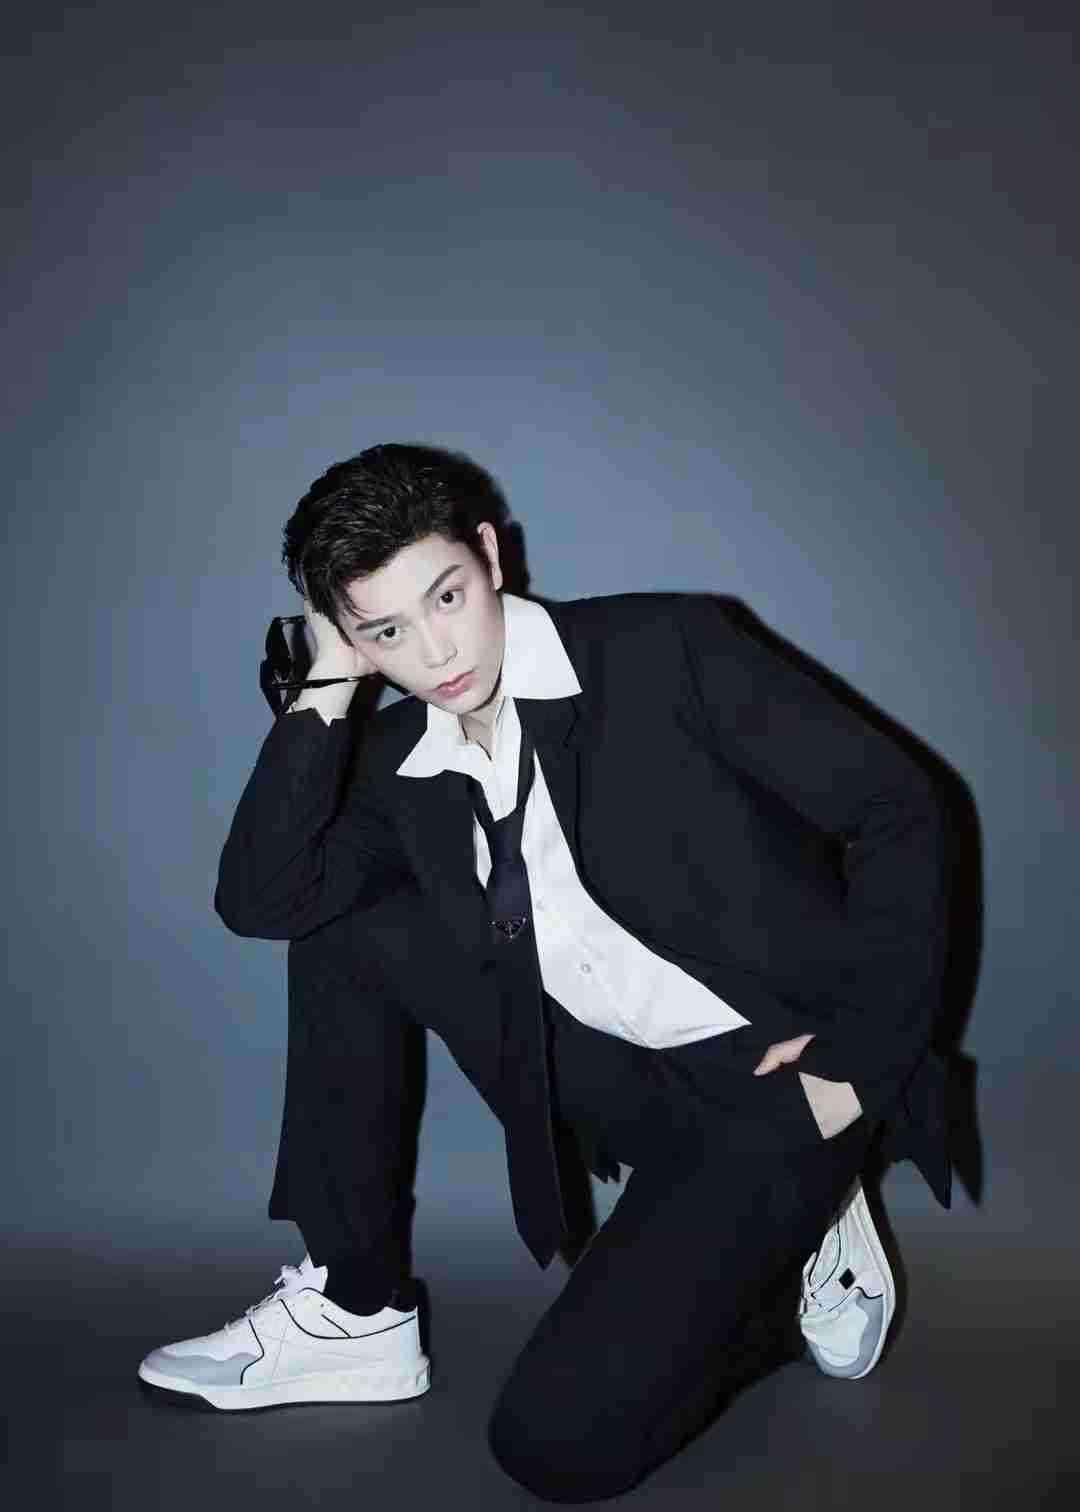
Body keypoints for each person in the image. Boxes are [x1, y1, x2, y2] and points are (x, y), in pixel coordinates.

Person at [138, 444, 950, 1501]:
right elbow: (266, 899)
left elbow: (898, 811)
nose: (436, 651)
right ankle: (356, 1307)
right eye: (386, 631)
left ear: (488, 556)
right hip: (613, 1080)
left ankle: (785, 1277)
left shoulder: (666, 649)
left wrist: (856, 1058)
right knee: (345, 921)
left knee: (555, 1446)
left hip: (775, 1082)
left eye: (445, 598)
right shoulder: (399, 763)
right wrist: (325, 685)